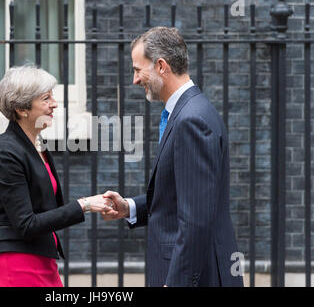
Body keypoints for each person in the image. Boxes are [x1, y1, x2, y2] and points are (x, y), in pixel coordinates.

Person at [102, 27, 244, 287]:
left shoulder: (191, 119)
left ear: (161, 66)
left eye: (137, 69)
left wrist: (177, 281)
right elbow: (183, 197)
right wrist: (130, 208)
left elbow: (196, 217)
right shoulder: (189, 111)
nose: (134, 80)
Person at [0, 65, 112, 287]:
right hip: (16, 261)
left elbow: (47, 212)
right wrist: (85, 205)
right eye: (46, 98)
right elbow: (26, 224)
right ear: (22, 109)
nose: (54, 103)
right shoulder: (6, 151)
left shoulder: (36, 145)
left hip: (40, 256)